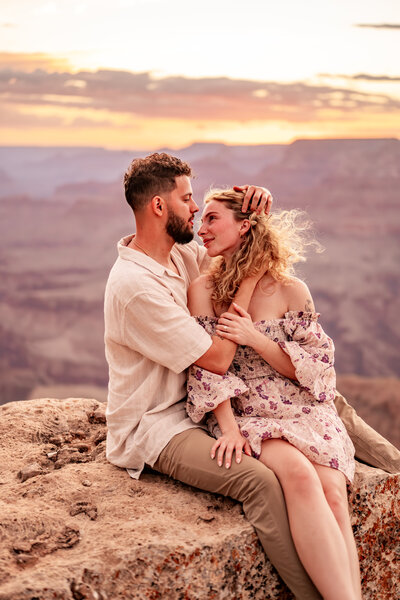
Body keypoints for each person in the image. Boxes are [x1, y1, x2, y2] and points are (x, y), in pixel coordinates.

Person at [104, 152, 400, 600]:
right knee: (268, 482)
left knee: (328, 426)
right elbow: (218, 362)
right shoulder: (137, 286)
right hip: (159, 421)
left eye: (206, 212)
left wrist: (259, 213)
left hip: (255, 395)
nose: (197, 217)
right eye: (189, 202)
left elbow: (230, 248)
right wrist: (251, 278)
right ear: (160, 207)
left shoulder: (179, 255)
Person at [186, 188, 360, 599]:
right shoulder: (203, 289)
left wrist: (257, 339)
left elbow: (317, 371)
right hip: (250, 413)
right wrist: (227, 428)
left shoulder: (290, 289)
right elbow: (208, 368)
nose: (201, 227)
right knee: (299, 475)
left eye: (212, 218)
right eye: (201, 217)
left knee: (335, 493)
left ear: (243, 225)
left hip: (305, 411)